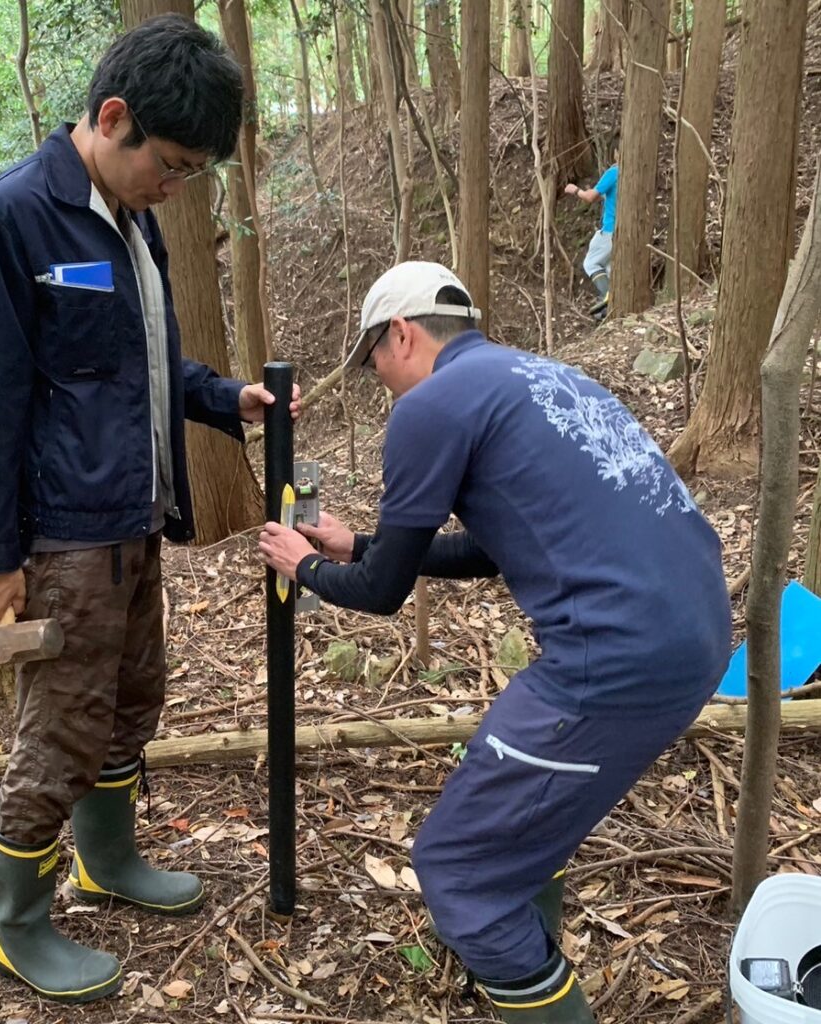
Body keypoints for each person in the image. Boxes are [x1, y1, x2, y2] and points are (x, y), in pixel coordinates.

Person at [259, 261, 730, 1023]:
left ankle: (511, 959)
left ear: (401, 334)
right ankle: (511, 955)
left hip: (611, 660)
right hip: (692, 631)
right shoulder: (544, 380)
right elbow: (503, 546)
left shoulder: (431, 406)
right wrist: (360, 546)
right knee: (506, 838)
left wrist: (304, 565)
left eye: (374, 362)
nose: (381, 381)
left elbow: (382, 596)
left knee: (460, 871)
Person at [0, 15, 299, 1004]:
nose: (178, 186)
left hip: (135, 519)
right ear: (114, 119)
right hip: (62, 536)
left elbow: (135, 362)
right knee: (58, 731)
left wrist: (218, 397)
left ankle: (108, 861)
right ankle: (16, 922)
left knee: (131, 702)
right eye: (176, 164)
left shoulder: (130, 221)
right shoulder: (13, 218)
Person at [565, 135, 619, 320]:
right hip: (623, 233)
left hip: (610, 231)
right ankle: (610, 310)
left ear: (617, 153)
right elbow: (599, 197)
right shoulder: (636, 173)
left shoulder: (614, 172)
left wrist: (575, 190)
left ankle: (609, 296)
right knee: (609, 268)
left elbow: (590, 197)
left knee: (591, 263)